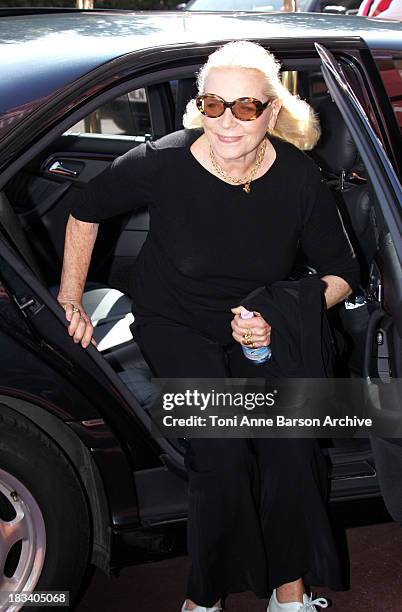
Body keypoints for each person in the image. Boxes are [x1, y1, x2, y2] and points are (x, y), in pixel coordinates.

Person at [58, 41, 360, 612]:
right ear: (200, 107)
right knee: (221, 449)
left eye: (246, 108)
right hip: (176, 323)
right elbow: (84, 210)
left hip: (260, 328)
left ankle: (289, 586)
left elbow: (343, 273)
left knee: (290, 448)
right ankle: (207, 594)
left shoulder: (299, 178)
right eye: (214, 104)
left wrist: (280, 314)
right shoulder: (161, 163)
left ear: (273, 110)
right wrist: (70, 298)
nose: (228, 121)